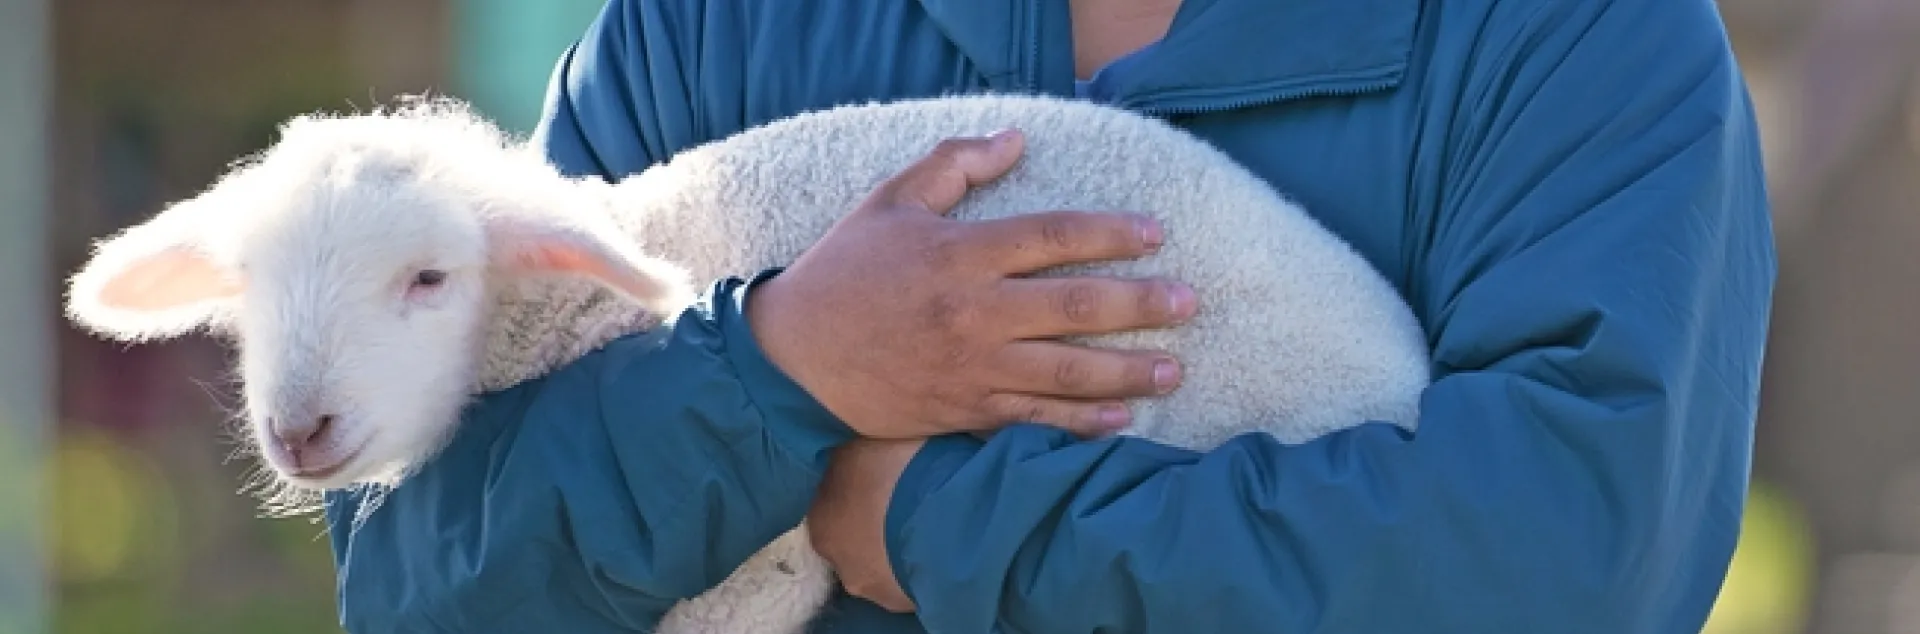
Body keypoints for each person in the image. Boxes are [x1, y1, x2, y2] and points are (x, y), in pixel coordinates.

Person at [321, 0, 1778, 631]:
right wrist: (774, 367)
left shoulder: (1580, 38)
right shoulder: (710, 24)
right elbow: (424, 568)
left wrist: (939, 518)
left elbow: (1561, 568)